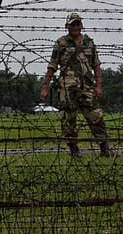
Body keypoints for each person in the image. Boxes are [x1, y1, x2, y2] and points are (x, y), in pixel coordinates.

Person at [40, 12, 111, 157]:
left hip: (87, 87)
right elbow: (52, 66)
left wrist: (99, 86)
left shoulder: (89, 43)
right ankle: (74, 150)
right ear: (67, 26)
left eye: (77, 24)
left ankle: (104, 149)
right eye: (72, 24)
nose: (75, 27)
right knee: (68, 119)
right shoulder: (61, 43)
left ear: (81, 25)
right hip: (68, 89)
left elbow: (96, 65)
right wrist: (45, 87)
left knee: (95, 116)